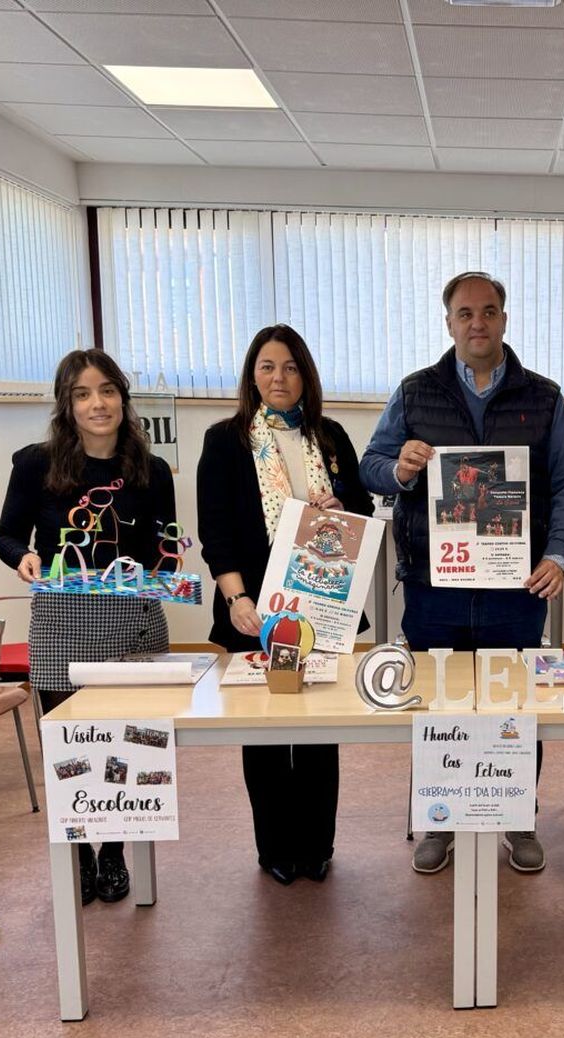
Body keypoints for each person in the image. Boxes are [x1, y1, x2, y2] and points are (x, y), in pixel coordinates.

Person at [361, 271, 564, 875]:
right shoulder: (414, 393)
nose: (477, 323)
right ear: (449, 323)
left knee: (515, 707)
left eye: (488, 311)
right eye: (465, 313)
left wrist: (558, 554)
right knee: (438, 705)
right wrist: (401, 469)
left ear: (504, 320)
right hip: (434, 587)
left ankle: (517, 815)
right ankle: (439, 817)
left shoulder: (544, 398)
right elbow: (370, 465)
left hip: (515, 589)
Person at [0, 348, 175, 904]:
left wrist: (167, 569)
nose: (98, 404)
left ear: (123, 398)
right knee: (70, 748)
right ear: (66, 404)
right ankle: (78, 850)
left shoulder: (152, 469)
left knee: (126, 746)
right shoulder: (35, 463)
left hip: (133, 623)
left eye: (107, 391)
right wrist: (23, 557)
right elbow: (6, 535)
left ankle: (115, 850)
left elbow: (164, 547)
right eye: (82, 394)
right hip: (62, 625)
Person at [198, 324, 373, 886]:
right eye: (268, 366)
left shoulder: (331, 436)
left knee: (319, 728)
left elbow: (364, 509)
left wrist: (342, 505)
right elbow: (215, 530)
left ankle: (317, 846)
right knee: (267, 730)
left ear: (306, 375)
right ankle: (274, 848)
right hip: (256, 609)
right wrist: (236, 597)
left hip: (323, 605)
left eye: (291, 367)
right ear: (252, 375)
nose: (280, 377)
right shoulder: (225, 440)